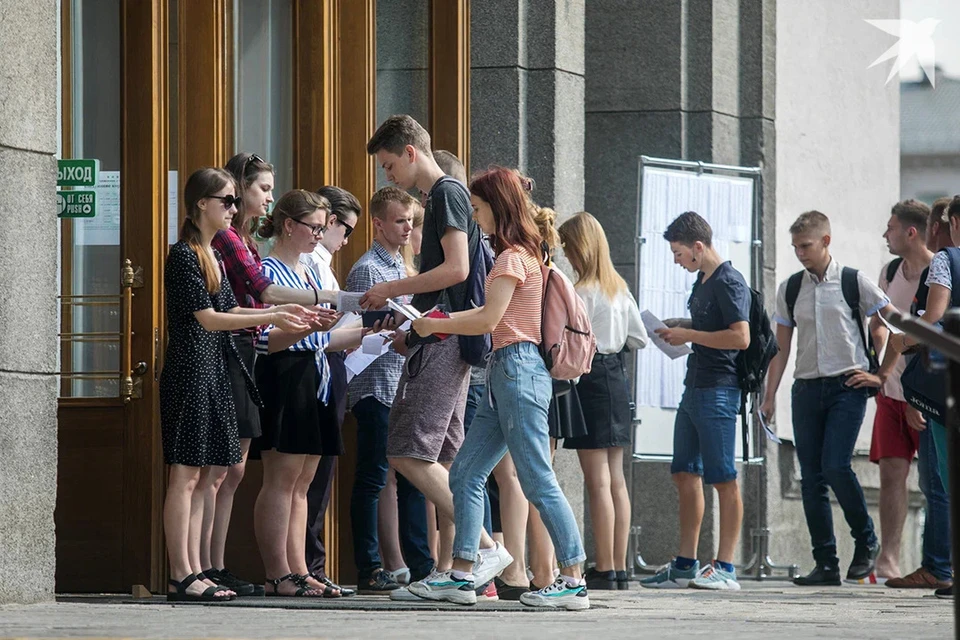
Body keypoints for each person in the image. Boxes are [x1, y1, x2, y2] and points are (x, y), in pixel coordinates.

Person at [410, 166, 590, 610]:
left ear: (496, 206)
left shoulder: (512, 257)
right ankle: (462, 572)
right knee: (468, 473)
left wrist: (434, 323)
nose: (474, 217)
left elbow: (489, 320)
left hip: (515, 370)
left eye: (477, 208)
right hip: (508, 372)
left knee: (535, 478)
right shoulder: (527, 253)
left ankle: (573, 577)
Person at [361, 115, 513, 587]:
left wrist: (392, 289)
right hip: (447, 337)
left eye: (388, 166)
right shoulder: (448, 194)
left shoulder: (446, 193)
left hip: (443, 339)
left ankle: (485, 550)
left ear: (410, 153)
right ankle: (456, 569)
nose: (388, 177)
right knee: (443, 460)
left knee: (407, 453)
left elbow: (455, 269)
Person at [161, 167, 313, 602]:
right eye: (225, 201)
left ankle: (195, 570)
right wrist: (271, 316)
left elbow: (233, 309)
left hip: (214, 371)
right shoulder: (185, 255)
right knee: (186, 477)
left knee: (207, 474)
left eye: (234, 200)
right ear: (200, 205)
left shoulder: (210, 255)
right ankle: (181, 573)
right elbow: (207, 319)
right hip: (190, 373)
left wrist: (278, 316)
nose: (233, 209)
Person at [202, 152, 337, 598]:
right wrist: (303, 312)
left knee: (295, 479)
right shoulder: (237, 247)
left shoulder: (247, 244)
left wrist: (324, 321)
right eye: (263, 188)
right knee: (237, 473)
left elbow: (266, 311)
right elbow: (262, 305)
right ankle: (266, 571)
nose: (320, 235)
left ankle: (295, 568)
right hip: (266, 365)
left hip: (308, 371)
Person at [761, 210, 894, 587]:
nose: (800, 253)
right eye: (795, 247)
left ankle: (866, 541)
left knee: (836, 466)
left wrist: (881, 373)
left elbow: (895, 323)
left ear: (826, 242)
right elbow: (781, 349)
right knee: (811, 479)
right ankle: (826, 563)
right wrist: (769, 396)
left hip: (847, 386)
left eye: (806, 246)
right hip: (806, 389)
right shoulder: (790, 289)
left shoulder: (854, 281)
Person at [252, 190, 369, 597]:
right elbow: (263, 339)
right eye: (314, 227)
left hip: (316, 376)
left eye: (323, 228)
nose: (320, 236)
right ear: (289, 225)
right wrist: (309, 328)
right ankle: (277, 572)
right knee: (281, 480)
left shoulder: (312, 273)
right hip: (285, 376)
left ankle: (300, 569)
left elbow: (325, 340)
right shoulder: (269, 272)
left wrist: (373, 332)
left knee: (303, 482)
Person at [639, 211, 750, 591]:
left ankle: (726, 567)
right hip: (695, 386)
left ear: (698, 248)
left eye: (678, 252)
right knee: (684, 472)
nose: (675, 259)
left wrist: (691, 336)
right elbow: (707, 328)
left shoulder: (729, 281)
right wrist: (679, 325)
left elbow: (740, 338)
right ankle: (686, 564)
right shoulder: (703, 280)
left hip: (719, 388)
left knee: (723, 478)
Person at [346, 187, 435, 596]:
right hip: (375, 382)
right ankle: (371, 565)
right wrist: (390, 328)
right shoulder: (368, 269)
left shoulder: (403, 263)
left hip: (401, 379)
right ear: (378, 223)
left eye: (412, 221)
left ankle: (415, 564)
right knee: (375, 476)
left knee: (408, 474)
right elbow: (356, 332)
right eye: (400, 221)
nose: (407, 228)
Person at [559, 211, 648, 590]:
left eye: (567, 246)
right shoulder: (618, 288)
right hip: (617, 380)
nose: (565, 253)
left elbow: (574, 342)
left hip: (589, 379)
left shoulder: (581, 291)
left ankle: (605, 567)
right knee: (616, 481)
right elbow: (638, 338)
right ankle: (619, 567)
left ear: (579, 248)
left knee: (596, 482)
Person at [865, 200, 942, 586]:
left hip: (926, 394)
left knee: (935, 480)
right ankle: (889, 559)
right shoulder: (891, 271)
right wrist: (881, 350)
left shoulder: (938, 272)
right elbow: (880, 321)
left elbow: (933, 337)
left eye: (890, 227)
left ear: (911, 232)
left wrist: (915, 397)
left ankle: (937, 562)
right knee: (892, 474)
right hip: (891, 391)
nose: (885, 234)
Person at [887, 196, 956, 599]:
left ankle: (940, 567)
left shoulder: (945, 263)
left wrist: (902, 343)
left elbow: (933, 321)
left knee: (943, 480)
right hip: (940, 386)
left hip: (946, 385)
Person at [301, 185, 363, 597]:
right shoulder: (310, 262)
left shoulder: (323, 264)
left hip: (331, 365)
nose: (345, 241)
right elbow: (317, 328)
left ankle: (312, 564)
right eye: (347, 231)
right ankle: (306, 565)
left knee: (320, 473)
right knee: (307, 476)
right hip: (316, 366)